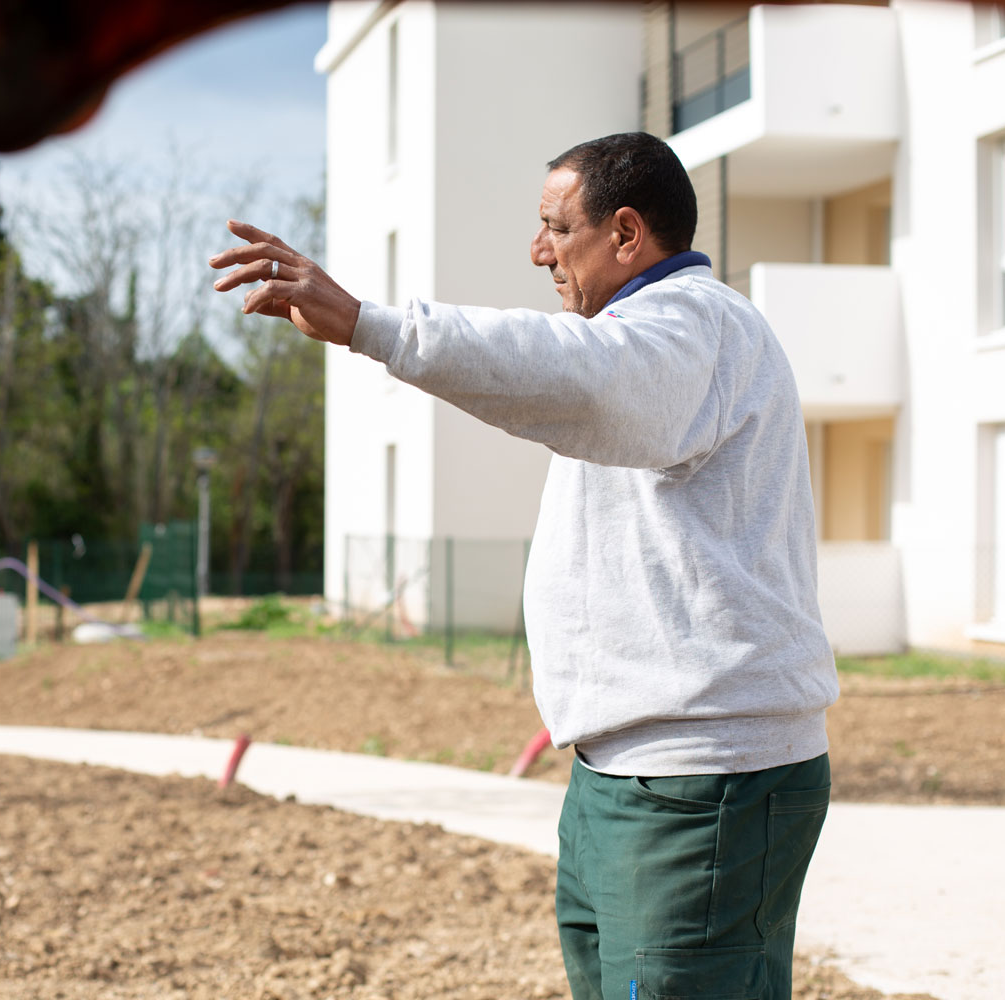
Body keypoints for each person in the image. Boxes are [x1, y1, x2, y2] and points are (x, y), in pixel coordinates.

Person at [210, 131, 839, 1000]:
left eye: (554, 226)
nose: (536, 250)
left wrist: (370, 326)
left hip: (702, 780)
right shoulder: (648, 337)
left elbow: (580, 379)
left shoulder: (695, 328)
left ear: (626, 234)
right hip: (630, 772)